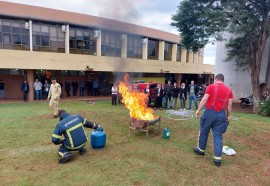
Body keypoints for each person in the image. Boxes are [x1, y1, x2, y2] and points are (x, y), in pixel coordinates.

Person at [193, 74, 233, 167]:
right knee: (218, 136)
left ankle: (201, 150)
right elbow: (229, 106)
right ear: (223, 80)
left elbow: (204, 99)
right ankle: (217, 160)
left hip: (209, 113)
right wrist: (227, 116)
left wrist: (198, 110)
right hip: (221, 115)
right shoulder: (229, 91)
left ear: (215, 80)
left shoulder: (211, 87)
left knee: (204, 131)